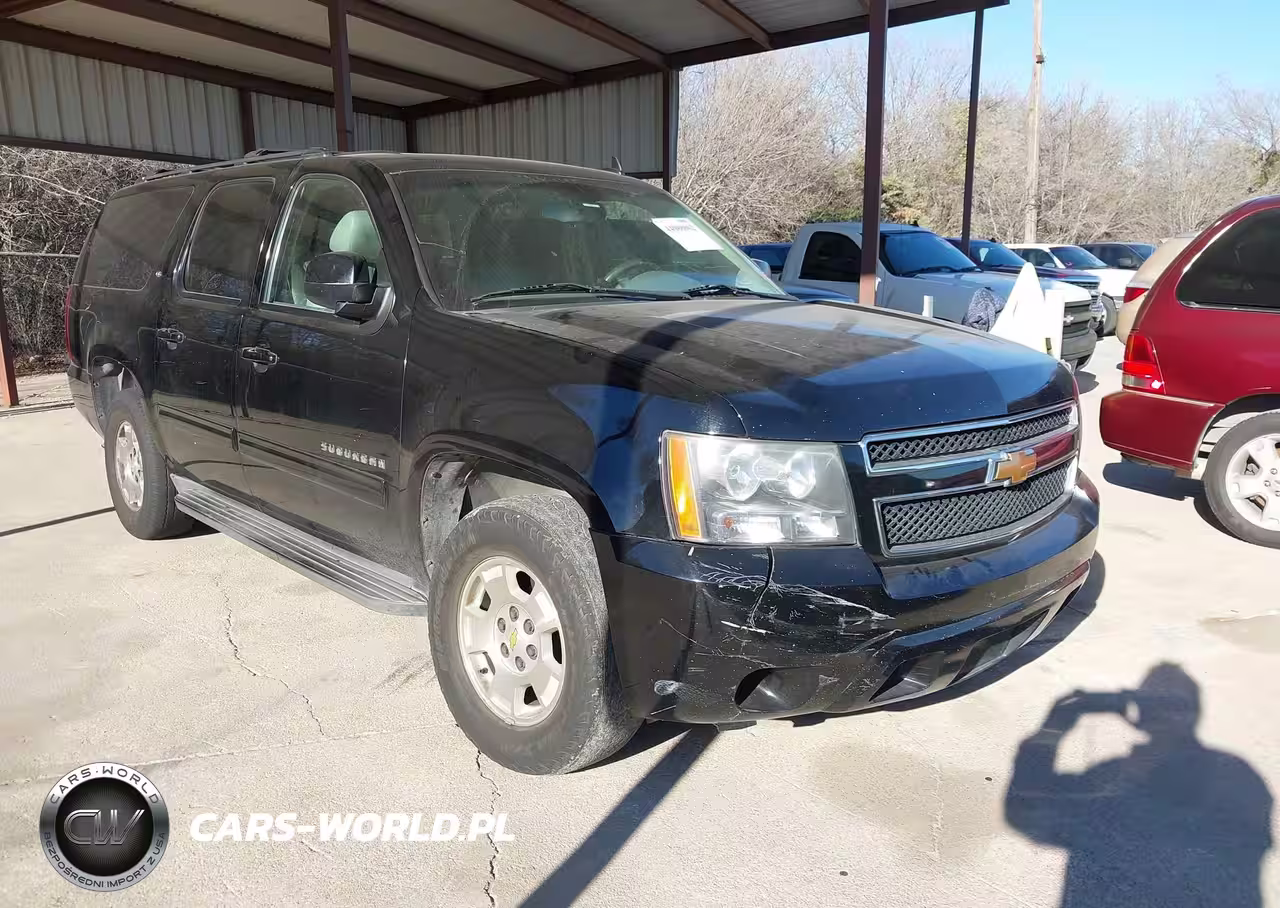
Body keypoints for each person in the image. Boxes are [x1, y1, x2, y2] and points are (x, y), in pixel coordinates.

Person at [1005, 664, 1272, 908]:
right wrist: (1051, 731)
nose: (1164, 714)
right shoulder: (1109, 774)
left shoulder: (1230, 774)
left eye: (1173, 703)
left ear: (1194, 713)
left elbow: (1214, 851)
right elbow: (1029, 813)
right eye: (1153, 702)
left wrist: (1136, 780)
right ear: (1139, 709)